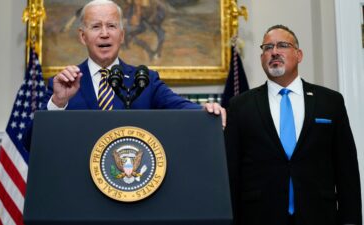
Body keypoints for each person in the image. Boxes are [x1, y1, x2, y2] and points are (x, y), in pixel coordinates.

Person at [224, 24, 362, 225]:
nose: (274, 52)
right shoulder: (240, 106)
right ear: (262, 57)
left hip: (319, 216)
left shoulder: (330, 101)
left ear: (299, 55)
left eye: (282, 45)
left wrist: (351, 221)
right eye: (267, 48)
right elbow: (231, 172)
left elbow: (346, 169)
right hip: (258, 217)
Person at [47, 0, 225, 123]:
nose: (104, 33)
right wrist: (58, 102)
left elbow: (179, 106)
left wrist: (206, 111)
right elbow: (32, 140)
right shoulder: (64, 83)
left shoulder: (145, 79)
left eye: (111, 26)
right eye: (95, 26)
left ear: (122, 35)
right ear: (82, 36)